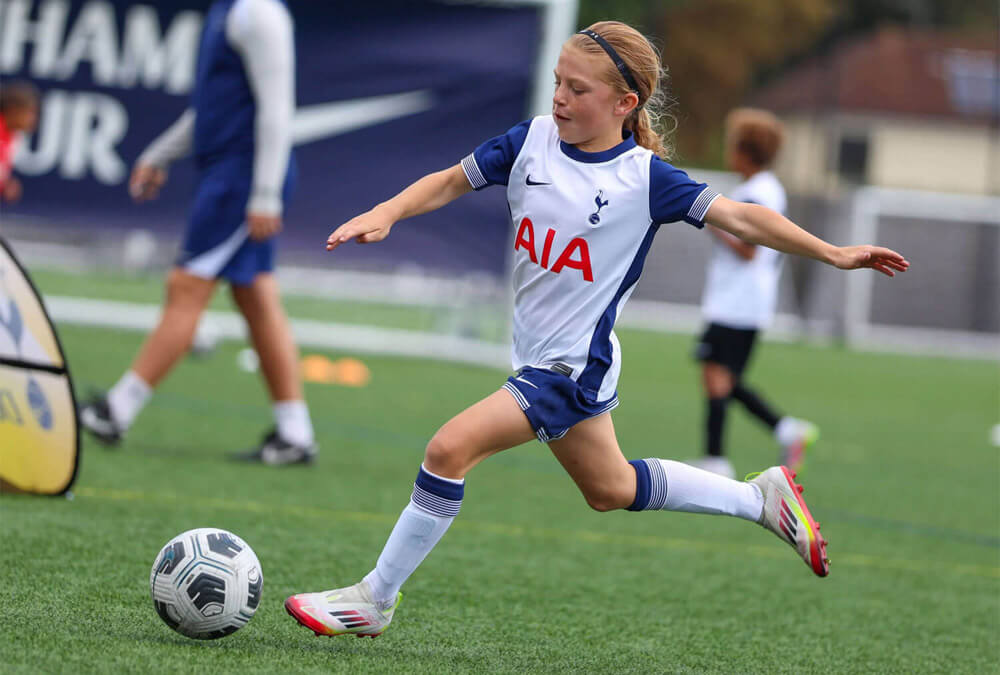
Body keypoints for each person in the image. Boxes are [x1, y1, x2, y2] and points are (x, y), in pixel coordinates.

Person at [283, 21, 909, 638]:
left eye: (578, 89)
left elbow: (743, 217)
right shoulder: (529, 142)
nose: (559, 96)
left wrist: (832, 252)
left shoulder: (644, 179)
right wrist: (387, 211)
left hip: (569, 368)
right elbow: (451, 180)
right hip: (539, 357)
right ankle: (759, 500)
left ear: (623, 103)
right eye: (558, 81)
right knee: (610, 488)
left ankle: (374, 598)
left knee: (449, 450)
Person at [79, 0, 317, 465]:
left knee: (185, 286)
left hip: (242, 177)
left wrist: (265, 193)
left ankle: (117, 411)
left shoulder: (259, 13)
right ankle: (295, 434)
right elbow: (212, 109)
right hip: (231, 174)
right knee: (255, 296)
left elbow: (277, 109)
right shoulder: (228, 11)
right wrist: (159, 153)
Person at [690, 108, 817, 480]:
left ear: (744, 151)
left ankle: (716, 458)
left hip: (737, 302)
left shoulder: (756, 192)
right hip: (746, 302)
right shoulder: (767, 189)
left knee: (716, 375)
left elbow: (749, 249)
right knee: (723, 378)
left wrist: (710, 220)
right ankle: (786, 431)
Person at [0, 80, 40, 204]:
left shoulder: (13, 137)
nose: (33, 120)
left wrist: (5, 185)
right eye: (30, 113)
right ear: (13, 110)